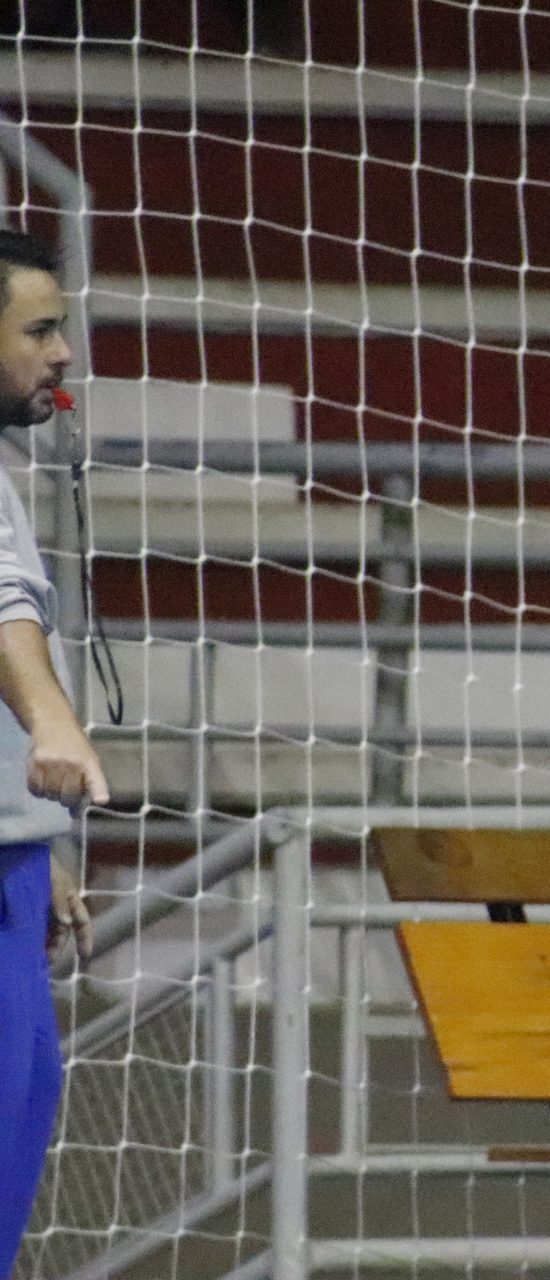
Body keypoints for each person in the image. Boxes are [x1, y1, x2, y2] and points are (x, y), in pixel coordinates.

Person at [0, 227, 108, 1277]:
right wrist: (53, 721)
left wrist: (43, 838)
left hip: (15, 866)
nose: (63, 352)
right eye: (38, 329)